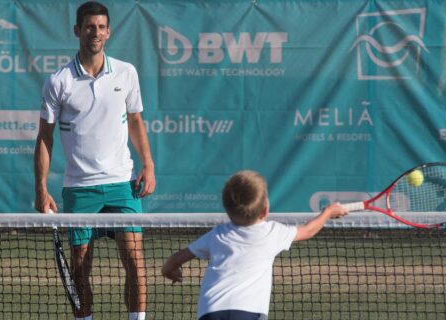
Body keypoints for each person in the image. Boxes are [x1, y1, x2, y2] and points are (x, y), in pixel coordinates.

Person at [33, 2, 155, 320]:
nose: (96, 32)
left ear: (109, 31)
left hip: (122, 184)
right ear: (77, 31)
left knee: (135, 260)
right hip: (79, 188)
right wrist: (41, 188)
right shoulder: (58, 81)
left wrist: (148, 164)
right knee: (80, 264)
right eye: (89, 26)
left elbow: (136, 122)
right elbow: (44, 138)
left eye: (101, 27)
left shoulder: (126, 72)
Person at [162, 170, 348, 320]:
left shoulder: (217, 234)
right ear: (265, 210)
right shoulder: (273, 232)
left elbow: (176, 259)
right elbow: (308, 230)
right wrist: (329, 212)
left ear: (227, 210)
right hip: (249, 312)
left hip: (211, 312)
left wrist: (168, 271)